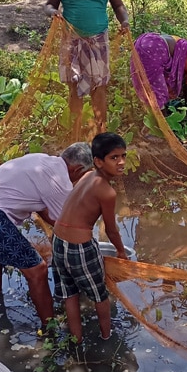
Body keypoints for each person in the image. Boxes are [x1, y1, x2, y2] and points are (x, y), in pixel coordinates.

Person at [0, 143, 93, 329]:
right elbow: (68, 225)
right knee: (38, 270)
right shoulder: (61, 182)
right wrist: (89, 247)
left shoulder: (40, 159)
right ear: (78, 169)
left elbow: (46, 211)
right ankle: (49, 327)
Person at [44, 0, 130, 140]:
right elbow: (49, 4)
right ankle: (76, 133)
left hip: (98, 40)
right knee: (74, 87)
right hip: (71, 41)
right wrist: (53, 12)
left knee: (98, 86)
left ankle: (100, 133)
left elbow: (118, 5)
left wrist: (124, 21)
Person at [51, 132, 129, 343]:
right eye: (114, 158)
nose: (121, 162)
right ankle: (107, 338)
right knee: (100, 295)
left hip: (58, 241)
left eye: (123, 156)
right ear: (98, 161)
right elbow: (112, 230)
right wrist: (121, 251)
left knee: (70, 293)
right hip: (79, 247)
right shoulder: (107, 192)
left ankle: (76, 340)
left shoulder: (87, 176)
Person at [131, 32, 187, 109]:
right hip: (154, 50)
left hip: (145, 40)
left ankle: (141, 108)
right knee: (160, 94)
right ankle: (163, 121)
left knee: (144, 78)